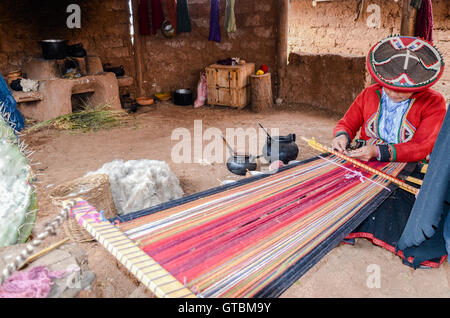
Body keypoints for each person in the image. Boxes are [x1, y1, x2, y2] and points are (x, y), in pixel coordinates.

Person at [331, 35, 447, 268]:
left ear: (419, 86)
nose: (393, 94)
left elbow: (423, 146)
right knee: (331, 183)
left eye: (402, 92)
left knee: (404, 198)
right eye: (389, 88)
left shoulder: (434, 102)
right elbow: (347, 123)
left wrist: (378, 152)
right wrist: (341, 137)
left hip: (409, 164)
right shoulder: (369, 95)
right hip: (366, 158)